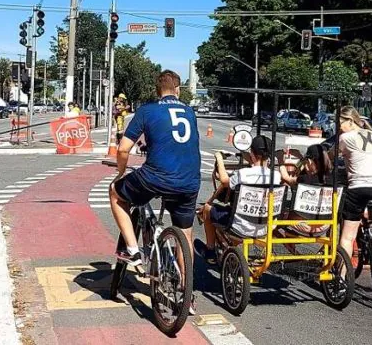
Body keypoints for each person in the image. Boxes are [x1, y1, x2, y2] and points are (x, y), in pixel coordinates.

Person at [109, 70, 200, 311]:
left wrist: (120, 172)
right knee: (186, 236)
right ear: (178, 90)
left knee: (116, 193)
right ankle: (187, 292)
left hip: (155, 178)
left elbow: (123, 149)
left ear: (156, 90)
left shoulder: (147, 111)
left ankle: (132, 250)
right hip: (190, 181)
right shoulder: (190, 112)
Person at [198, 135, 293, 264]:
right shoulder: (275, 176)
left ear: (252, 154)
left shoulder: (243, 174)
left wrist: (219, 159)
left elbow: (225, 181)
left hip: (240, 226)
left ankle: (210, 250)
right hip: (266, 227)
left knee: (208, 209)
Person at [333, 106, 372, 263]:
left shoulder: (345, 138)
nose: (338, 127)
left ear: (350, 120)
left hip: (360, 189)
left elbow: (331, 156)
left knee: (347, 236)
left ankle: (342, 279)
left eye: (339, 123)